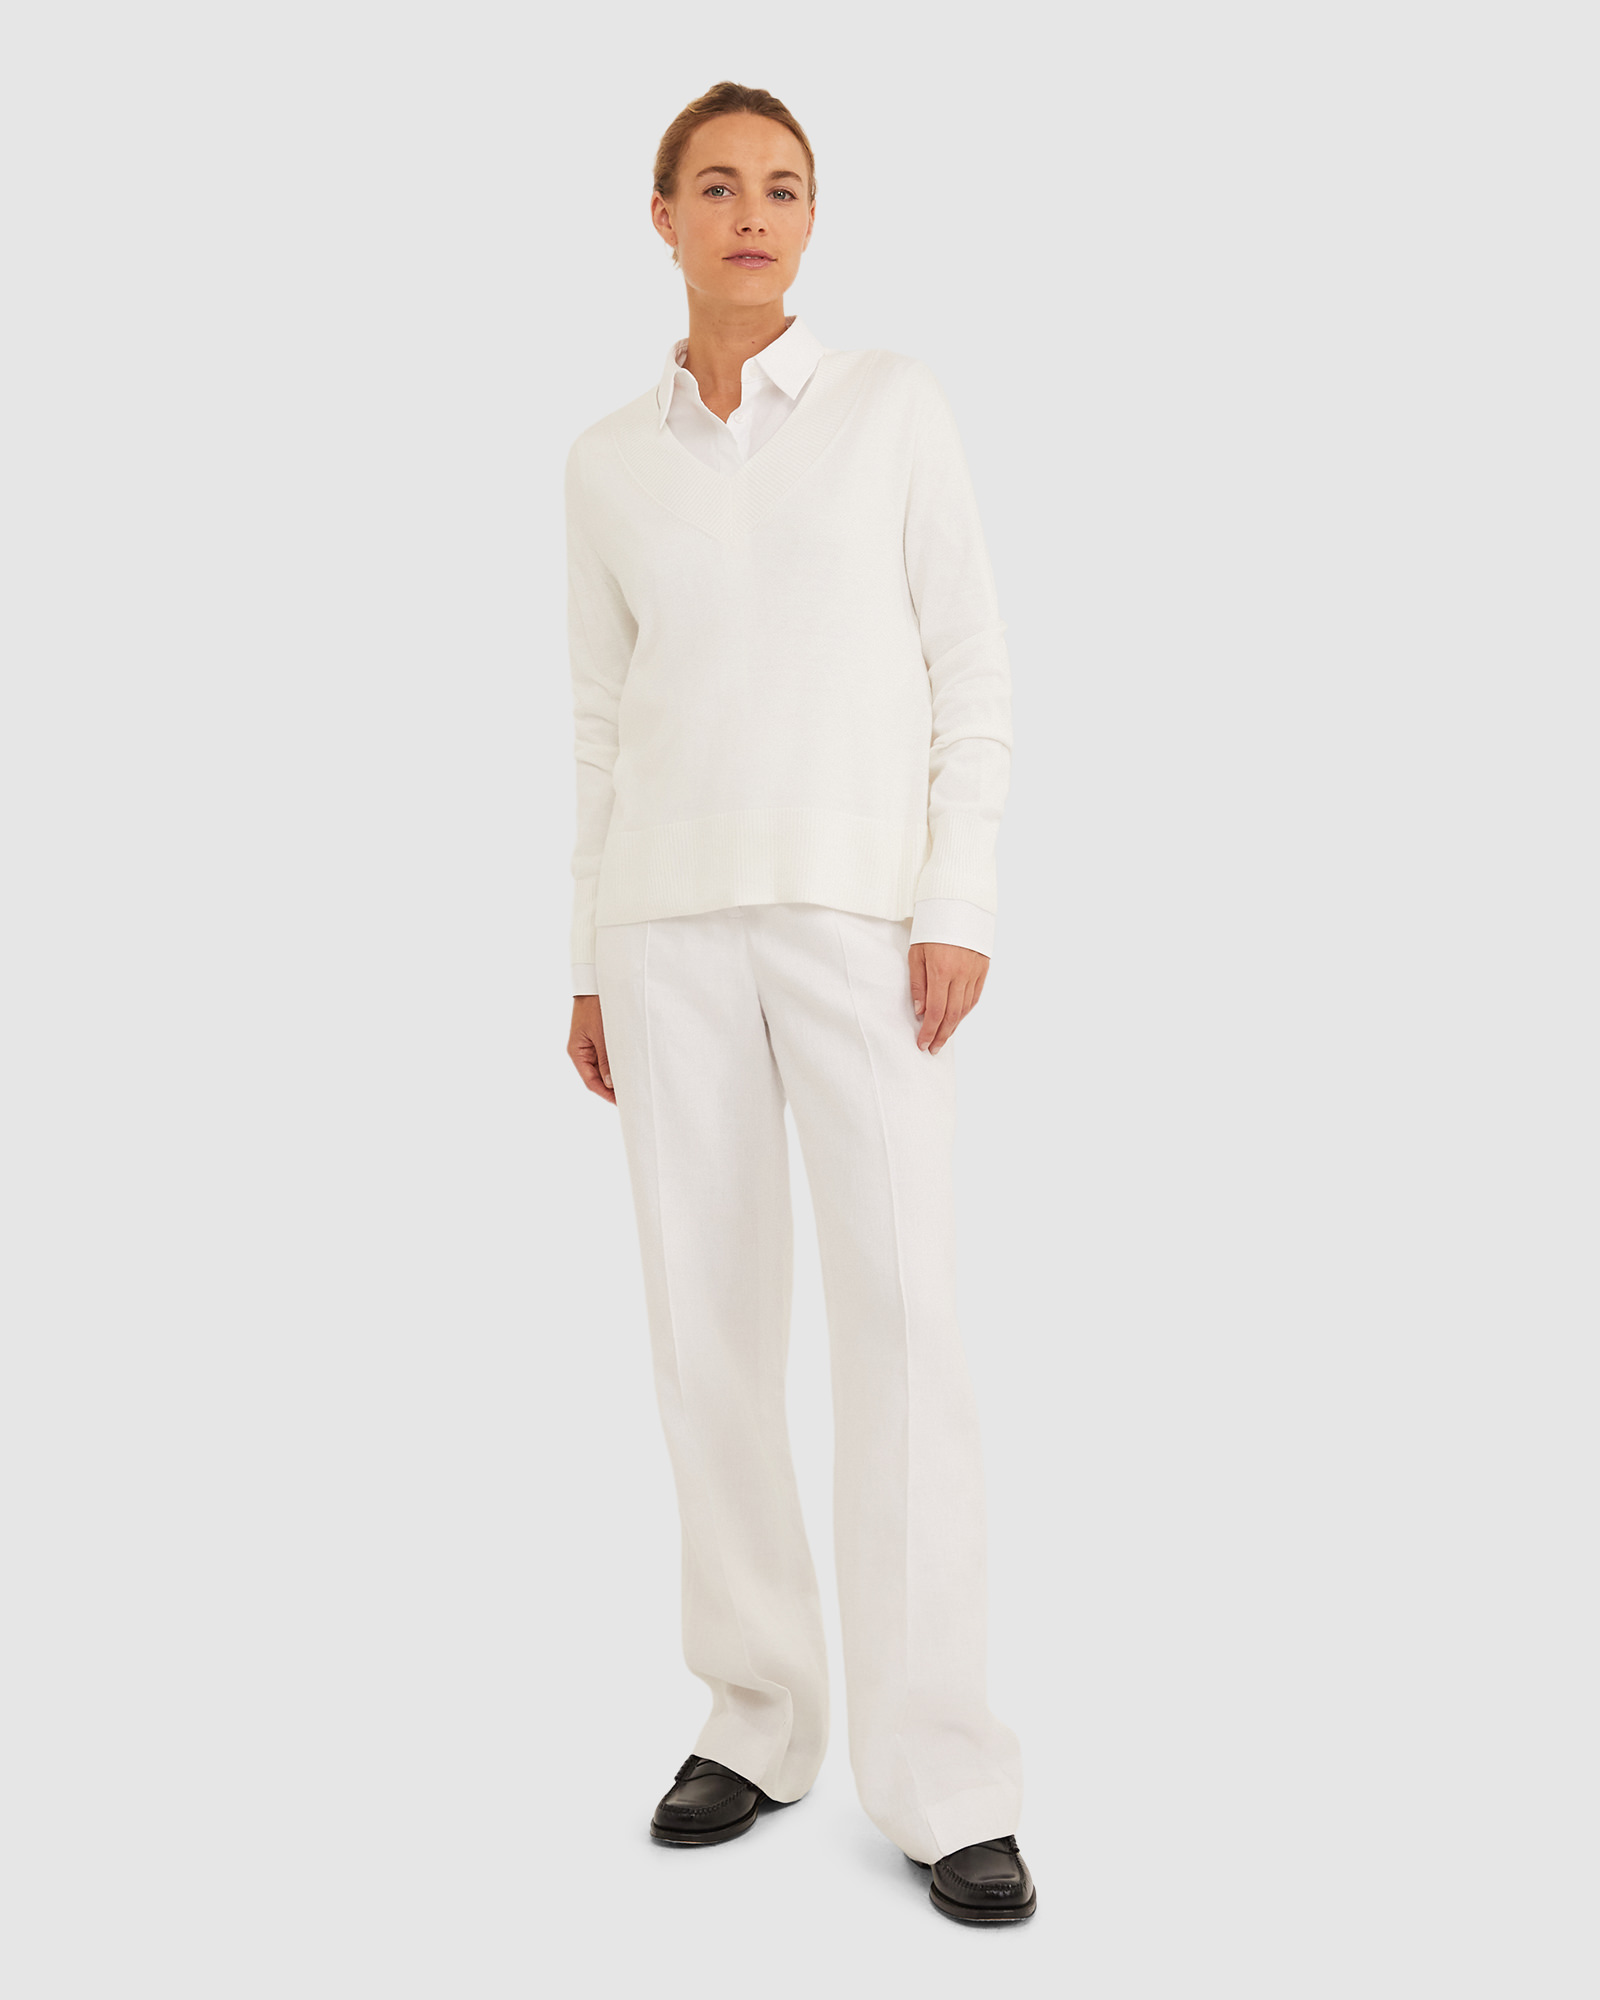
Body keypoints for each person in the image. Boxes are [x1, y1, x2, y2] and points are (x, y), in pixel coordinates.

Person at [563, 79, 1033, 1926]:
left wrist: (957, 897)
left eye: (784, 186)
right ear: (663, 216)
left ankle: (944, 1775)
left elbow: (970, 662)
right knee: (708, 1331)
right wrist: (586, 954)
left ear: (812, 221)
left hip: (860, 924)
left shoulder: (893, 407)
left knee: (905, 1323)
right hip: (666, 927)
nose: (752, 211)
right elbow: (596, 723)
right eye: (718, 184)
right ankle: (755, 1719)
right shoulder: (607, 462)